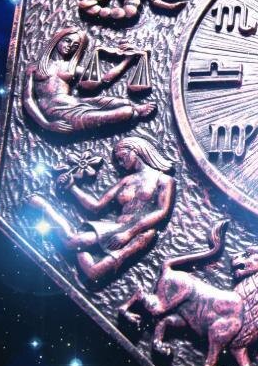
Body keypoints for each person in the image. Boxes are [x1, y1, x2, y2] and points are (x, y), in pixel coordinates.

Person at [27, 137, 175, 281]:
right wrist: (72, 187)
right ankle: (44, 207)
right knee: (71, 241)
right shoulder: (127, 180)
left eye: (122, 157)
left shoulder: (164, 180)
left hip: (141, 233)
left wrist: (129, 233)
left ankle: (77, 243)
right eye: (118, 160)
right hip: (116, 227)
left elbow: (161, 212)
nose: (121, 163)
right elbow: (96, 206)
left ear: (135, 150)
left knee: (93, 273)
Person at [22, 27, 155, 134]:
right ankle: (134, 111)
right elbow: (28, 99)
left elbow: (104, 80)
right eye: (67, 41)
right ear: (57, 39)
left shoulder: (71, 68)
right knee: (127, 112)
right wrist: (46, 124)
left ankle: (135, 109)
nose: (70, 46)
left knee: (123, 102)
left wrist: (127, 60)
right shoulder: (35, 68)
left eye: (75, 45)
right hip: (58, 113)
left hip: (76, 103)